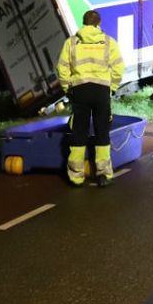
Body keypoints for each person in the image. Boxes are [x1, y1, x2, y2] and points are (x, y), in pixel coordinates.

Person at [56, 10, 124, 187]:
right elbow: (118, 67)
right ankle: (103, 174)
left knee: (79, 132)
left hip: (80, 91)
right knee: (102, 131)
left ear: (83, 22)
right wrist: (113, 88)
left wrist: (67, 89)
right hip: (101, 91)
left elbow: (62, 68)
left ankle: (76, 176)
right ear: (98, 23)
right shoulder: (109, 42)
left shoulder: (71, 42)